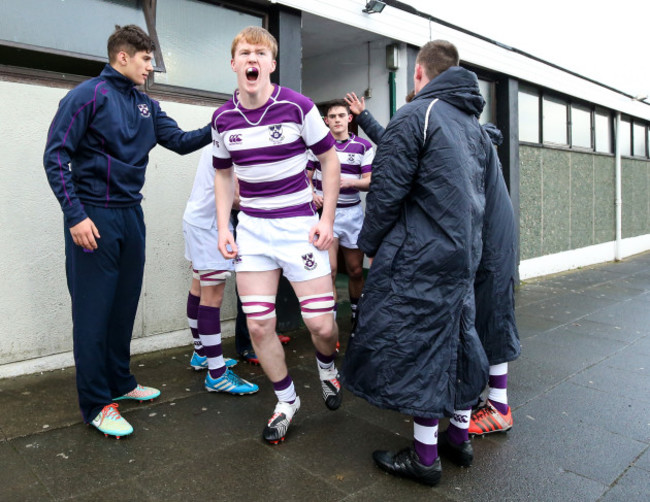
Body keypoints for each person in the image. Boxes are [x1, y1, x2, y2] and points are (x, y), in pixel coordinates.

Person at [43, 25, 212, 438]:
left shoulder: (145, 104)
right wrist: (75, 215)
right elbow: (55, 156)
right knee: (92, 314)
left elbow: (182, 140)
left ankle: (120, 381)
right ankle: (98, 404)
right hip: (93, 218)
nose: (151, 67)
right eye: (146, 59)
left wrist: (224, 121)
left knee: (122, 308)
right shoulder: (87, 96)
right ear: (123, 57)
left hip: (130, 216)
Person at [340, 40, 496, 486]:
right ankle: (459, 439)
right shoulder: (472, 123)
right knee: (461, 339)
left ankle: (425, 457)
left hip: (423, 254)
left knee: (421, 348)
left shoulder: (418, 114)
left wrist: (368, 244)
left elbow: (387, 190)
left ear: (418, 73)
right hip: (464, 252)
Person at [344, 100, 520, 450]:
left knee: (481, 319)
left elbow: (403, 162)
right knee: (478, 319)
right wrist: (366, 118)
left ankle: (495, 407)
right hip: (488, 235)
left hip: (484, 241)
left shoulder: (453, 135)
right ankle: (465, 426)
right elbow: (403, 147)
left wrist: (373, 243)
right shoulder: (467, 134)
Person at [213, 26, 342, 444]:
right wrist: (222, 226)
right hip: (252, 230)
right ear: (234, 64)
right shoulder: (222, 119)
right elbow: (222, 173)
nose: (252, 59)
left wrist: (327, 218)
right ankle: (287, 401)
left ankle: (327, 367)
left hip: (297, 228)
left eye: (260, 53)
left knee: (321, 325)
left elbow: (330, 159)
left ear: (271, 64)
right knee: (259, 325)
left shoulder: (297, 106)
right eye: (244, 53)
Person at [183, 146, 258, 395]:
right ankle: (216, 373)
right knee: (211, 298)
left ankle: (201, 354)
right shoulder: (235, 142)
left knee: (198, 287)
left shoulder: (216, 140)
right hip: (211, 226)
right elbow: (235, 196)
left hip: (196, 220)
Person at [307, 99, 373, 328]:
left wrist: (351, 182)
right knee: (331, 270)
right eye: (332, 117)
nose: (336, 120)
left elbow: (370, 181)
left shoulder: (363, 146)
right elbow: (305, 175)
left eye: (340, 116)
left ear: (349, 118)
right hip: (327, 216)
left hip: (352, 214)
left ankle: (357, 318)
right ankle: (331, 324)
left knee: (355, 271)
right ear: (326, 121)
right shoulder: (317, 146)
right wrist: (311, 192)